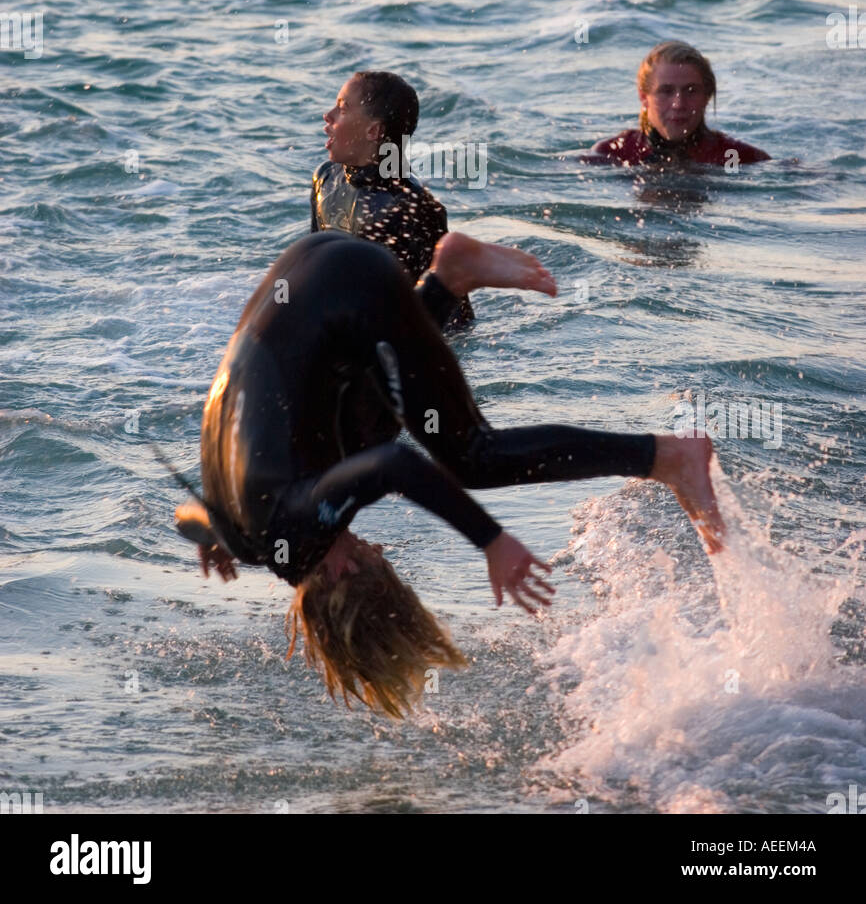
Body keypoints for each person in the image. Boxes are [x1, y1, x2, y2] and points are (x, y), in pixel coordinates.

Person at [175, 229, 725, 719]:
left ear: (341, 577)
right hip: (308, 262)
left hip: (350, 287)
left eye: (373, 563)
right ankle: (442, 285)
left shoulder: (299, 530)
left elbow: (397, 468)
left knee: (471, 460)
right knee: (363, 441)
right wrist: (214, 534)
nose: (379, 551)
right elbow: (186, 516)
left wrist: (491, 540)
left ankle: (669, 458)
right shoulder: (254, 541)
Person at [311, 70, 473, 329]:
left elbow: (453, 316)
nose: (328, 115)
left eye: (342, 109)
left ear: (373, 131)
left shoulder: (408, 206)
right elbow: (313, 272)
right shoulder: (325, 180)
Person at [588, 41, 770, 167]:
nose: (678, 104)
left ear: (707, 96)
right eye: (666, 91)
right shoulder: (612, 155)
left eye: (691, 91)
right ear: (644, 97)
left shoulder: (738, 158)